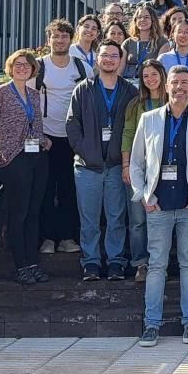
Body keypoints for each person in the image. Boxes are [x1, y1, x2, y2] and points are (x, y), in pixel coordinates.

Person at [130, 65, 188, 347]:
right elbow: (136, 163)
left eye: (185, 83)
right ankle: (151, 324)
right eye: (175, 82)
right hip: (158, 204)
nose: (180, 87)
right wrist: (144, 195)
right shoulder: (149, 119)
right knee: (156, 265)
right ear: (166, 86)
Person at [66, 40, 139, 281]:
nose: (109, 60)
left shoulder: (130, 91)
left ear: (121, 60)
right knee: (89, 218)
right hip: (88, 166)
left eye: (113, 56)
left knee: (116, 216)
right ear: (97, 59)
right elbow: (72, 124)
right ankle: (91, 263)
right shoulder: (83, 89)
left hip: (117, 165)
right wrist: (85, 151)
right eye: (104, 55)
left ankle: (116, 261)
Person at [0, 49, 51, 284]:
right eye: (18, 64)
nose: (22, 68)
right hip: (13, 158)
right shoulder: (1, 92)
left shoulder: (34, 95)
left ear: (33, 69)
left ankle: (33, 263)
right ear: (10, 67)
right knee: (18, 213)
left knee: (34, 212)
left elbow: (37, 125)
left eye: (27, 65)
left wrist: (44, 142)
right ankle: (20, 265)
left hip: (36, 156)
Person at [35, 19, 88, 256]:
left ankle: (68, 237)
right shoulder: (38, 67)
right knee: (46, 188)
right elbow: (28, 101)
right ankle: (47, 238)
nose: (60, 40)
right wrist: (35, 134)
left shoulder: (81, 66)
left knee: (69, 188)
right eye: (55, 37)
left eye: (64, 36)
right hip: (45, 136)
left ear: (71, 39)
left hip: (73, 137)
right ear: (48, 40)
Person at [121, 60, 166, 282]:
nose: (150, 79)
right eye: (145, 76)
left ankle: (160, 263)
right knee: (138, 219)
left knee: (162, 218)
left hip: (166, 169)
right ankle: (141, 263)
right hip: (140, 167)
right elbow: (128, 135)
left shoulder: (172, 101)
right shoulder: (135, 104)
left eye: (153, 74)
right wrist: (126, 165)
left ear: (162, 75)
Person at [124, 6, 162, 82]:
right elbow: (120, 69)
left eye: (146, 17)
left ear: (153, 20)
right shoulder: (128, 42)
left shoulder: (161, 42)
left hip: (150, 82)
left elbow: (160, 69)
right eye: (139, 17)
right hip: (128, 82)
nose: (142, 20)